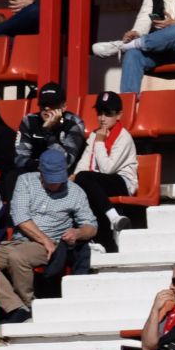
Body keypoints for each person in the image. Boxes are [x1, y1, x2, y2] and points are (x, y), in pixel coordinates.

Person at [0, 149, 96, 325]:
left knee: (18, 257)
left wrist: (77, 233)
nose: (55, 184)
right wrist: (45, 240)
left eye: (59, 179)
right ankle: (16, 307)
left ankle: (30, 304)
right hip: (22, 239)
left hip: (50, 241)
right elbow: (21, 217)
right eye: (50, 179)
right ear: (40, 171)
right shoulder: (25, 181)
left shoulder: (75, 191)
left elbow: (91, 226)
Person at [66, 92, 137, 254]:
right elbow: (84, 162)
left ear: (119, 115)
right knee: (78, 182)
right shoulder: (94, 135)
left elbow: (108, 168)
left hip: (122, 182)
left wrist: (99, 142)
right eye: (99, 113)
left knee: (84, 178)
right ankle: (102, 239)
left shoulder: (124, 137)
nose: (102, 118)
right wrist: (74, 177)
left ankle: (113, 217)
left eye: (108, 113)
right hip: (98, 183)